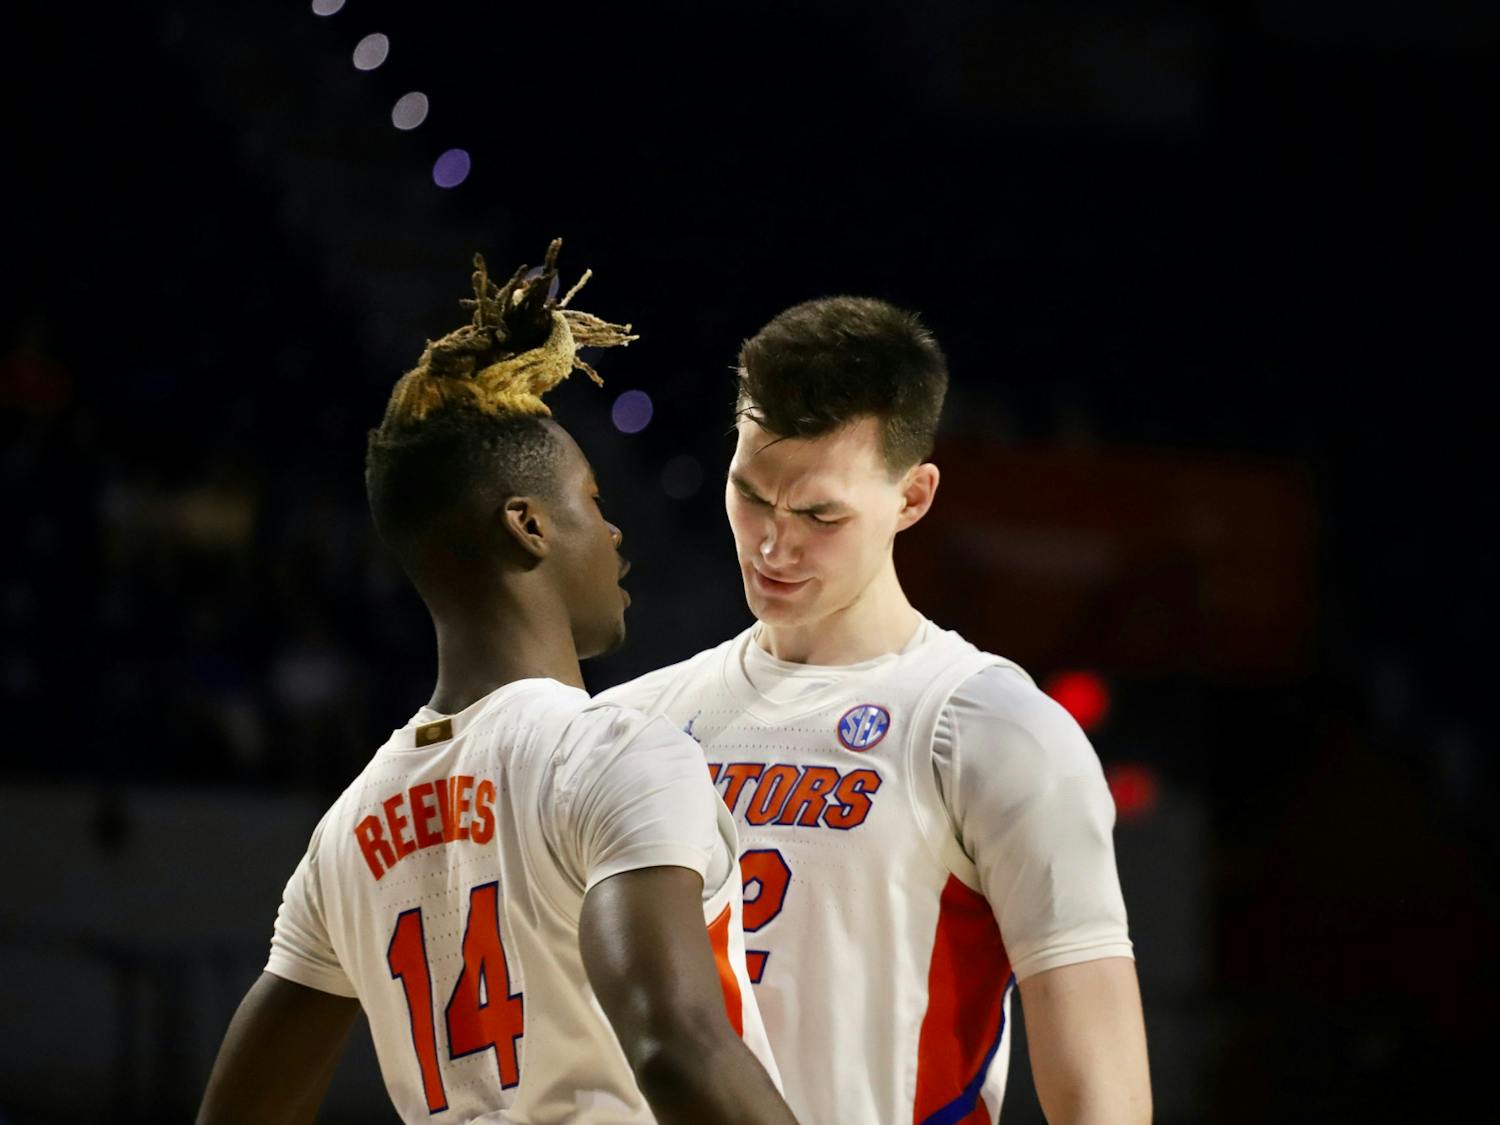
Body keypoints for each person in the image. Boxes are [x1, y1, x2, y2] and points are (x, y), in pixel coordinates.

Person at [197, 242, 795, 1125]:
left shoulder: (349, 828)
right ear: (528, 525)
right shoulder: (613, 752)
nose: (615, 532)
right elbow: (676, 1047)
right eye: (593, 500)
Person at [596, 296, 1152, 1123]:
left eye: (819, 513)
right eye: (750, 495)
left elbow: (1103, 1094)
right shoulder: (630, 722)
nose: (773, 543)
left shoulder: (995, 729)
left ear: (913, 496)